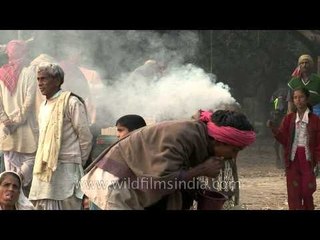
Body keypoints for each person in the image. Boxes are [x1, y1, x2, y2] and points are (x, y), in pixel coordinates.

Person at [81, 110, 256, 210]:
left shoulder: (198, 136)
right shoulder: (183, 136)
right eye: (234, 150)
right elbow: (161, 182)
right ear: (219, 140)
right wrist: (201, 171)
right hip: (113, 186)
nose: (234, 156)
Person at [28, 62, 93, 210]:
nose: (40, 83)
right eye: (38, 79)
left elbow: (85, 137)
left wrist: (76, 162)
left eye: (44, 79)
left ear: (57, 80)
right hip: (44, 171)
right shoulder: (43, 106)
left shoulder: (71, 102)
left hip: (67, 169)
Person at [267, 87, 320, 210]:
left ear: (307, 99)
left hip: (308, 158)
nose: (298, 100)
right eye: (295, 98)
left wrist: (317, 159)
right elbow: (284, 140)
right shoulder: (289, 119)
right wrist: (274, 129)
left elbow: (318, 143)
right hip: (292, 158)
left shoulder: (315, 120)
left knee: (307, 189)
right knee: (293, 192)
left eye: (301, 97)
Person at [0, 39, 38, 197]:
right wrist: (12, 121)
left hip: (8, 129)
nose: (11, 52)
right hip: (20, 128)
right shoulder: (29, 72)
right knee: (27, 162)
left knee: (9, 169)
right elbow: (28, 102)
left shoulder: (2, 72)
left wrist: (6, 120)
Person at [85, 114, 147, 210]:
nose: (117, 134)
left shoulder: (140, 150)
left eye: (120, 130)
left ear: (134, 131)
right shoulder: (120, 148)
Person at [270, 86, 288, 168]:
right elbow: (276, 107)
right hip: (279, 117)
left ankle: (280, 160)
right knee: (278, 140)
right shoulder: (280, 94)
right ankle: (279, 159)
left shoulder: (276, 94)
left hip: (281, 117)